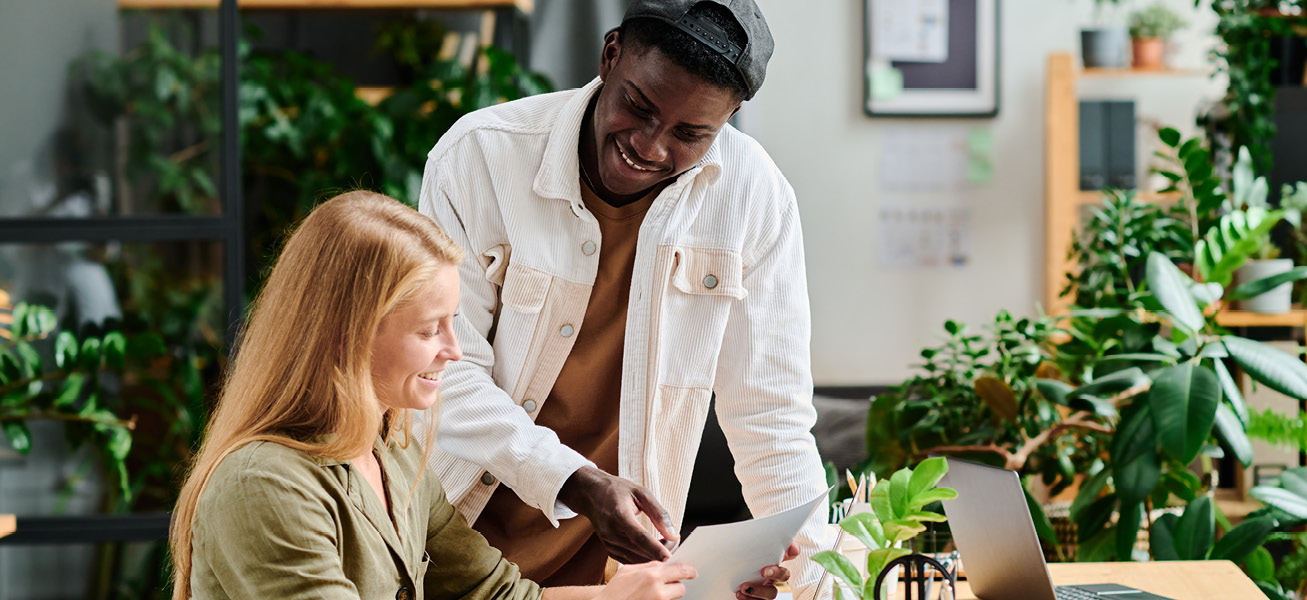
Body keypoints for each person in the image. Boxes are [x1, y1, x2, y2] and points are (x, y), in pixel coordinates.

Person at [418, 0, 830, 596]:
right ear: (611, 54)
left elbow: (771, 418)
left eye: (691, 134)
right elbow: (444, 374)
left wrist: (811, 581)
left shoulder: (756, 200)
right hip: (456, 554)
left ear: (731, 116)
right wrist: (577, 481)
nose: (650, 146)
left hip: (620, 584)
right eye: (639, 106)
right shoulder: (481, 156)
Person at [167, 191, 718, 600]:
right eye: (430, 330)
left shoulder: (396, 450)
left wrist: (641, 590)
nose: (455, 351)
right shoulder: (265, 484)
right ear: (350, 333)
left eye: (453, 323)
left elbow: (497, 596)